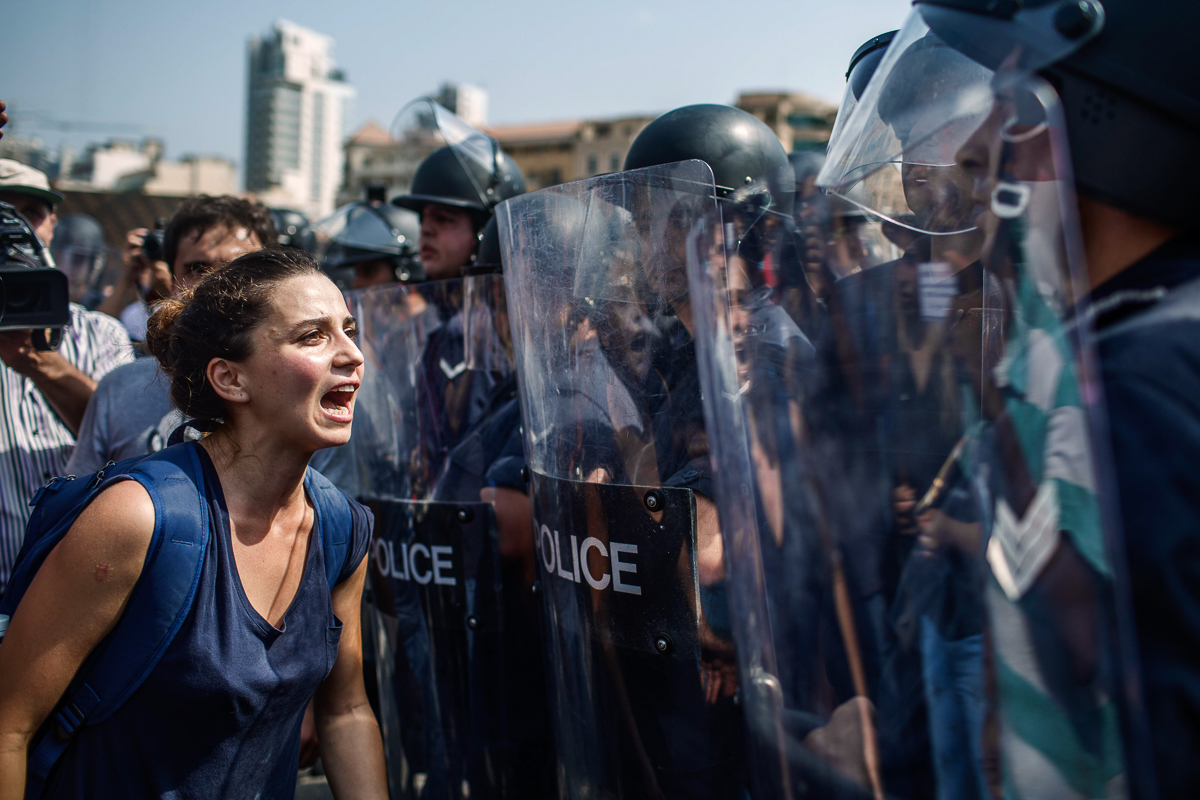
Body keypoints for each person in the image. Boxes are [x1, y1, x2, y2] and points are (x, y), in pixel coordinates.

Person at [883, 2, 1200, 796]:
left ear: (1104, 117)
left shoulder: (1129, 391)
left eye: (1012, 102)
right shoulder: (1161, 329)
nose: (982, 145)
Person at [0, 247, 387, 798]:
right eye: (312, 336)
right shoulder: (137, 517)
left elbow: (346, 709)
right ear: (229, 379)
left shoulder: (342, 529)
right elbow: (8, 727)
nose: (352, 354)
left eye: (348, 329)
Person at [67, 196, 276, 475]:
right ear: (171, 277)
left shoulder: (302, 388)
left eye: (237, 267)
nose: (215, 282)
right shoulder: (118, 389)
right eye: (196, 269)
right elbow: (80, 502)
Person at [0, 161, 133, 593]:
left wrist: (39, 361)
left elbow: (129, 454)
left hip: (76, 597)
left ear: (52, 225)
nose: (13, 229)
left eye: (29, 214)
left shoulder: (102, 333)